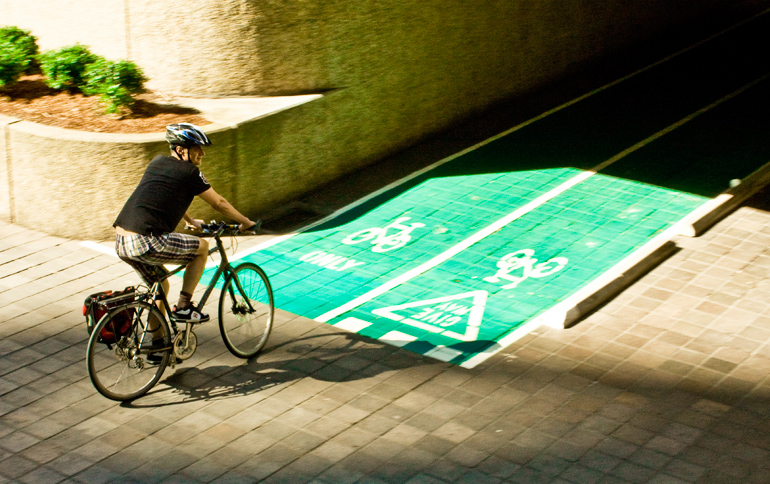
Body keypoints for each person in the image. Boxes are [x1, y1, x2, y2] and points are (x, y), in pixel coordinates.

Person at [114, 123, 259, 323]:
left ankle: (157, 348)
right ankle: (184, 307)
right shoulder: (190, 172)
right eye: (197, 148)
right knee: (202, 248)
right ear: (181, 150)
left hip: (122, 241)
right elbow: (219, 202)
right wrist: (245, 223)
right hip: (146, 241)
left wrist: (191, 221)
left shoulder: (157, 162)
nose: (202, 153)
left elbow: (163, 195)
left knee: (160, 286)